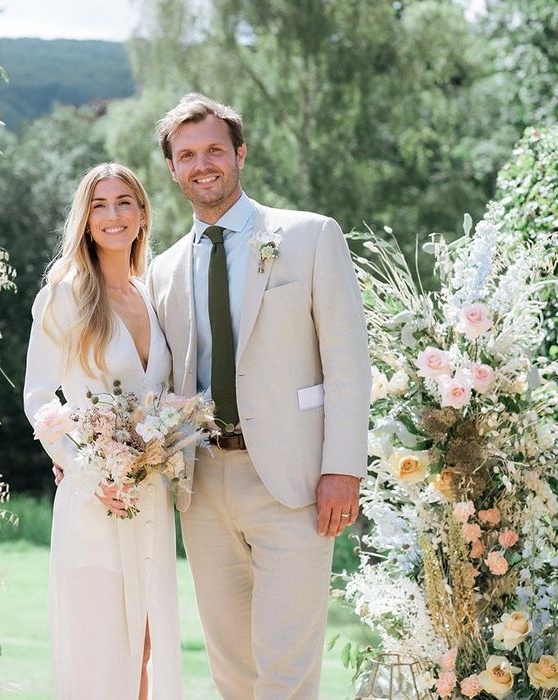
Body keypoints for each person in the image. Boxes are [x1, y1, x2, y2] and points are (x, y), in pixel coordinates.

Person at [146, 94, 371, 700]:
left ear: (239, 153)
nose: (203, 164)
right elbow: (162, 381)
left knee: (287, 665)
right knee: (232, 667)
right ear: (173, 168)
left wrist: (343, 468)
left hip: (292, 481)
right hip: (203, 485)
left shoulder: (309, 236)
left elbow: (349, 364)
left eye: (215, 149)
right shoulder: (163, 270)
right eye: (187, 155)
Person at [23, 163, 182, 699]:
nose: (112, 215)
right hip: (95, 496)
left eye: (123, 203)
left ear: (141, 214)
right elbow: (40, 399)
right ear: (86, 221)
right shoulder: (64, 297)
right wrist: (82, 466)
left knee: (146, 644)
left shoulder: (153, 295)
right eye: (99, 205)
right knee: (102, 650)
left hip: (151, 496)